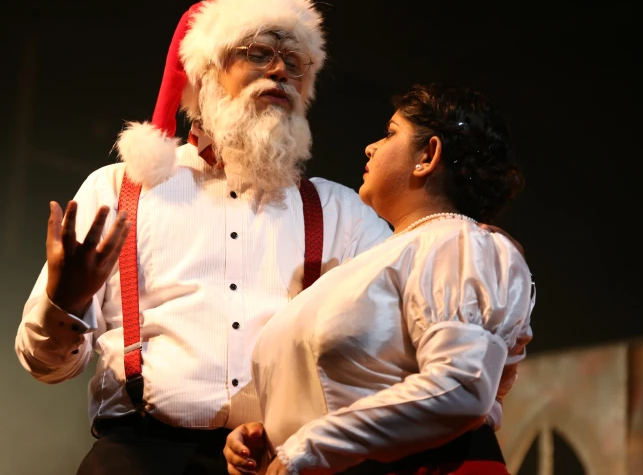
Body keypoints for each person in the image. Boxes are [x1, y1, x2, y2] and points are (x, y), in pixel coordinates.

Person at [14, 0, 395, 475]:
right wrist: (65, 303)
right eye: (258, 53)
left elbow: (404, 330)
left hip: (284, 461)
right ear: (209, 74)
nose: (280, 70)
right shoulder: (121, 191)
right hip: (140, 457)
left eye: (296, 62)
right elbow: (44, 366)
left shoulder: (342, 213)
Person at [224, 83, 536, 475]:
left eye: (390, 133)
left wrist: (306, 447)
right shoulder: (370, 263)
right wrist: (267, 438)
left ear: (428, 155)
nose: (370, 147)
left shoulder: (456, 243)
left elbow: (462, 386)